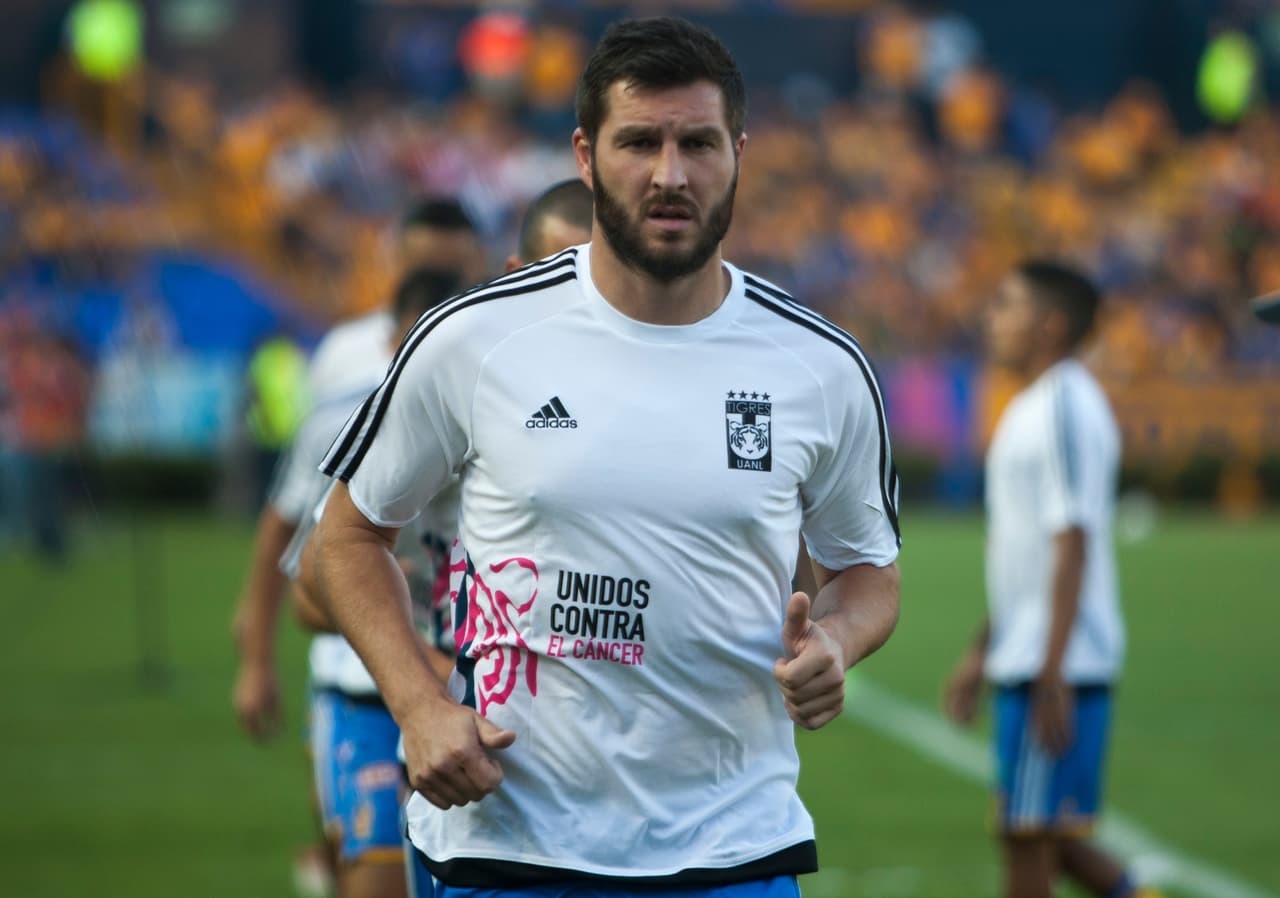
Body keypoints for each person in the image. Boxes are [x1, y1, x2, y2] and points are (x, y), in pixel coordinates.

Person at [305, 16, 901, 898]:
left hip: (733, 847)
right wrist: (419, 708)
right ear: (586, 157)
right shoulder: (477, 338)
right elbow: (346, 539)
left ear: (738, 152)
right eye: (639, 142)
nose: (671, 174)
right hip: (507, 843)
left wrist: (838, 645)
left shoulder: (820, 366)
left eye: (699, 142)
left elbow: (869, 573)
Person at [229, 198, 484, 898]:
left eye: (454, 268)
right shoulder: (346, 372)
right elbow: (296, 530)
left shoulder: (502, 370)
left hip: (477, 693)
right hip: (360, 680)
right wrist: (255, 654)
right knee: (374, 879)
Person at [942, 261, 1161, 898]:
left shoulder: (1066, 404)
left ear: (1050, 325)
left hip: (1056, 667)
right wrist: (982, 652)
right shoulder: (1031, 406)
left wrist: (1053, 669)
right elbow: (1027, 558)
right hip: (1036, 657)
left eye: (1007, 305)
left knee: (1027, 842)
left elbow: (1073, 541)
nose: (993, 318)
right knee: (1051, 840)